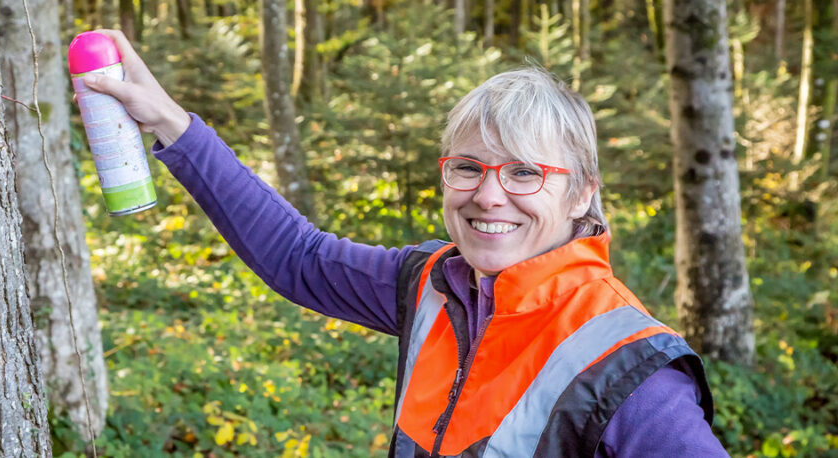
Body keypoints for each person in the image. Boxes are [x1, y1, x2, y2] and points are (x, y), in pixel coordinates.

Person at [79, 29, 728, 457]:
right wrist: (170, 122)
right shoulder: (434, 282)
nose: (489, 195)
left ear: (583, 191)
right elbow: (297, 259)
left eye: (525, 172)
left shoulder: (628, 368)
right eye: (468, 167)